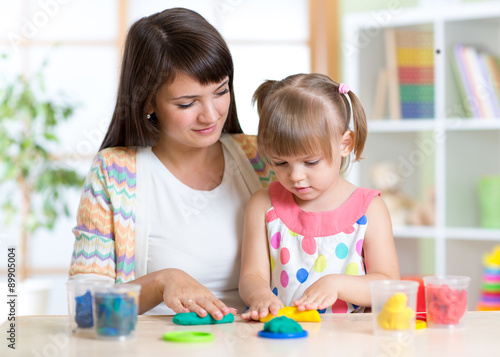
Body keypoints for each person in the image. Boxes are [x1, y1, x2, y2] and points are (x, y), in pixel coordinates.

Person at [69, 7, 276, 320]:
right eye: (187, 103)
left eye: (221, 91)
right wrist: (161, 281)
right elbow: (84, 310)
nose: (210, 114)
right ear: (149, 100)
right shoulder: (114, 172)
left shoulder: (261, 156)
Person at [239, 73, 400, 321]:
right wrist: (259, 295)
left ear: (345, 144)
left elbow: (388, 286)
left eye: (310, 162)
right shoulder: (263, 205)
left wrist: (336, 284)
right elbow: (252, 276)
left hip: (351, 342)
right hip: (283, 338)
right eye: (280, 162)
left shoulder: (370, 209)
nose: (295, 176)